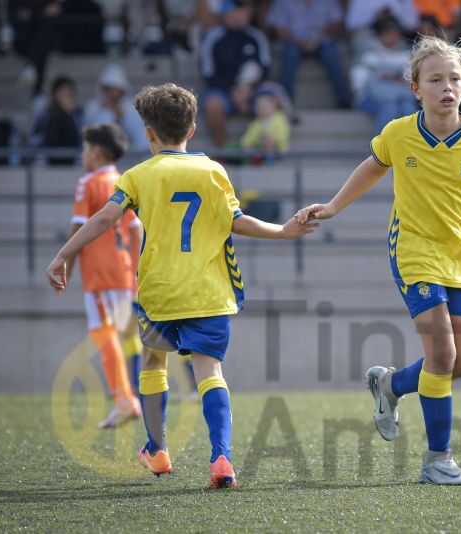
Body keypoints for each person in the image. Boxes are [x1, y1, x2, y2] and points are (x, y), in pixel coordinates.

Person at [297, 35, 461, 485]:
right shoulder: (398, 133)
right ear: (416, 88)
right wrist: (333, 206)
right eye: (435, 79)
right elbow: (371, 166)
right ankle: (438, 460)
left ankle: (391, 384)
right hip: (413, 251)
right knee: (443, 352)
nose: (446, 87)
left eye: (454, 79)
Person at [45, 83, 317, 488]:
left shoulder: (137, 175)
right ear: (192, 130)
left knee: (154, 364)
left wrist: (64, 254)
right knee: (210, 371)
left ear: (148, 133)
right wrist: (282, 231)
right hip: (208, 293)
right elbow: (236, 221)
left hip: (158, 294)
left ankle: (157, 450)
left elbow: (102, 219)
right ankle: (222, 458)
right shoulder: (213, 171)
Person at [66, 123, 142, 428]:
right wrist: (136, 270)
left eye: (84, 149)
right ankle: (135, 394)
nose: (83, 155)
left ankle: (124, 399)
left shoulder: (89, 182)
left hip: (98, 273)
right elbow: (136, 229)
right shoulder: (123, 182)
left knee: (102, 331)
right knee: (127, 336)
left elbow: (78, 226)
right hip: (125, 272)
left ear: (96, 152)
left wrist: (65, 261)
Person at [199, 4, 271, 147]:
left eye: (243, 9)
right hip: (223, 91)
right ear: (225, 13)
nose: (239, 14)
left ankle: (265, 152)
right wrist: (234, 92)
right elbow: (208, 73)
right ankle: (223, 151)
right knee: (213, 105)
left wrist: (247, 91)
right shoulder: (213, 36)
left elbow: (265, 69)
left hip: (251, 91)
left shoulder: (257, 36)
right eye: (235, 9)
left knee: (272, 100)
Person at [266, 0, 351, 108]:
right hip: (294, 41)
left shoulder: (329, 2)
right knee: (289, 53)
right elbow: (279, 29)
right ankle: (286, 101)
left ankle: (343, 99)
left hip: (322, 41)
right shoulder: (283, 2)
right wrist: (299, 42)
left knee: (331, 53)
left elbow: (339, 24)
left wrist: (320, 33)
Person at [350, 17, 417, 135]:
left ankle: (412, 149)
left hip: (400, 97)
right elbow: (358, 82)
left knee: (409, 109)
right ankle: (380, 151)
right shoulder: (368, 51)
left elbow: (411, 79)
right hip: (370, 98)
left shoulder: (405, 52)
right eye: (390, 34)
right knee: (389, 108)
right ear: (382, 34)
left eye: (396, 35)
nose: (393, 38)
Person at [84, 64, 149, 153]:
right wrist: (103, 110)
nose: (113, 94)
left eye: (116, 89)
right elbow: (88, 132)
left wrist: (123, 116)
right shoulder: (93, 106)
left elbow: (139, 136)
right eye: (109, 89)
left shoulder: (131, 106)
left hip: (130, 153)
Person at [239, 88, 290, 159]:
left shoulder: (280, 118)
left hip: (278, 149)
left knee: (269, 140)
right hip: (261, 147)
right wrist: (246, 144)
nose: (262, 110)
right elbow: (250, 134)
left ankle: (272, 158)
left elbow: (283, 135)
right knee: (251, 146)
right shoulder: (257, 122)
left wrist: (273, 139)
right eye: (259, 107)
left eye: (265, 107)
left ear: (274, 106)